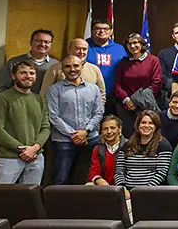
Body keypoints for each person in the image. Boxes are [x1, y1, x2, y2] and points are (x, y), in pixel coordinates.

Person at [0, 60, 50, 184]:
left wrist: (34, 148)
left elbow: (46, 127)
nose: (28, 76)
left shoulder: (39, 100)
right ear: (13, 76)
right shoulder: (0, 99)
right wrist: (22, 149)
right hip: (8, 158)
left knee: (29, 200)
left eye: (32, 73)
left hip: (35, 158)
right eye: (23, 73)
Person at [46, 54, 104, 184]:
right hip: (63, 141)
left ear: (82, 66)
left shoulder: (93, 89)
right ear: (62, 69)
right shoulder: (54, 90)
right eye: (67, 66)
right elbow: (53, 116)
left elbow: (99, 113)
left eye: (76, 65)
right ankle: (58, 204)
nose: (72, 69)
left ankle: (84, 205)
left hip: (90, 140)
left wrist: (85, 132)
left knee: (86, 178)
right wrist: (74, 134)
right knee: (61, 178)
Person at [114, 34, 163, 136]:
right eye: (129, 43)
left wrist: (137, 100)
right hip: (126, 107)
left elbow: (157, 83)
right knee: (128, 136)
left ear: (142, 44)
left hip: (146, 105)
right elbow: (118, 84)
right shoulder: (124, 62)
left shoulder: (153, 60)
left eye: (135, 43)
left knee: (147, 135)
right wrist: (127, 100)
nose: (132, 46)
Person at [114, 110, 173, 189]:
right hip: (127, 192)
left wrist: (145, 190)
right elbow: (119, 172)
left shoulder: (163, 145)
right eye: (143, 122)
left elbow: (161, 173)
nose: (146, 125)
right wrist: (123, 189)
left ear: (156, 126)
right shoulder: (127, 145)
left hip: (151, 192)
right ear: (138, 125)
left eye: (151, 123)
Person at [0, 29, 58, 95]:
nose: (42, 44)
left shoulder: (56, 65)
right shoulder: (14, 62)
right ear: (31, 43)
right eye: (38, 41)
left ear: (50, 45)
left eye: (46, 42)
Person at [40, 38, 106, 101]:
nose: (81, 52)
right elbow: (44, 94)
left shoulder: (94, 69)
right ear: (69, 49)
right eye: (78, 48)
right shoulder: (55, 68)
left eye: (84, 49)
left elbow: (101, 94)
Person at [86, 19, 127, 106]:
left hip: (113, 96)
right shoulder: (84, 46)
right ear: (92, 31)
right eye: (98, 28)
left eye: (105, 29)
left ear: (111, 31)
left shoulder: (120, 49)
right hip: (88, 95)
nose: (102, 31)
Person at [87, 114, 124, 187]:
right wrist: (98, 179)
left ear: (119, 129)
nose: (109, 131)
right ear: (101, 131)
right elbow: (93, 171)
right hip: (105, 187)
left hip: (125, 186)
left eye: (112, 128)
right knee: (88, 185)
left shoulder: (129, 147)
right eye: (105, 129)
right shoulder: (98, 149)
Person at [157, 23, 178, 95]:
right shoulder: (163, 53)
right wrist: (172, 86)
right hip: (170, 93)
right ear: (173, 36)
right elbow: (161, 74)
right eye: (177, 33)